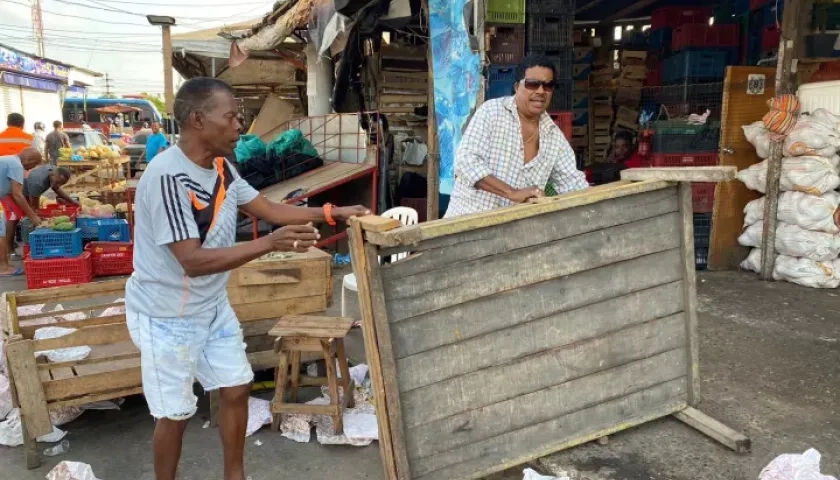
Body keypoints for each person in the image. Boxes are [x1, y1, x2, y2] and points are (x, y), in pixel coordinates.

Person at [125, 77, 369, 480]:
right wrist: (270, 244)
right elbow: (192, 261)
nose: (241, 125)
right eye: (232, 116)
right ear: (199, 121)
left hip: (211, 305)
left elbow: (268, 208)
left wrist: (332, 213)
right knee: (175, 412)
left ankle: (234, 476)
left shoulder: (221, 168)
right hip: (166, 315)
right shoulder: (169, 178)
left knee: (237, 386)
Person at [444, 56, 588, 218]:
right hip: (465, 225)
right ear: (516, 86)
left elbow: (572, 182)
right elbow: (466, 162)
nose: (540, 91)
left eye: (548, 86)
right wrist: (511, 192)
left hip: (515, 236)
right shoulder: (492, 112)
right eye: (532, 84)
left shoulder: (553, 136)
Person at [0, 148, 42, 275]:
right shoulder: (17, 166)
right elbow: (17, 194)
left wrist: (24, 212)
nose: (29, 169)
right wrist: (33, 216)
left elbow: (12, 194)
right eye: (32, 165)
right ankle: (3, 267)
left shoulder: (10, 160)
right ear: (29, 159)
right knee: (1, 233)